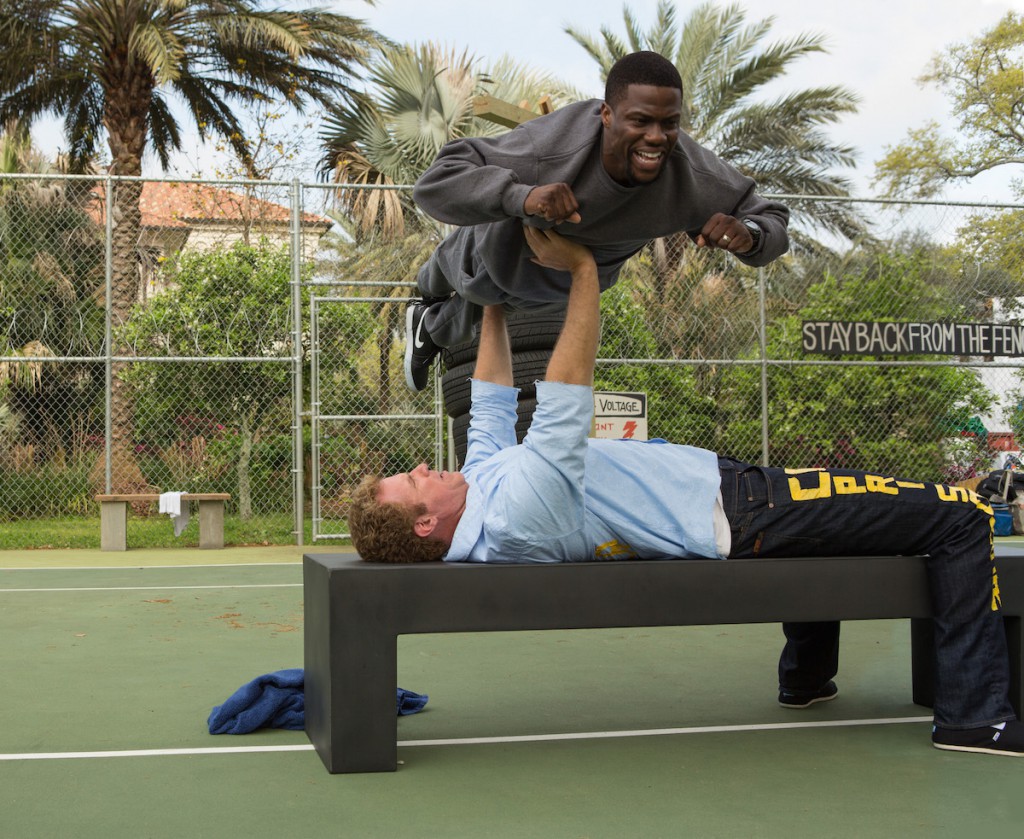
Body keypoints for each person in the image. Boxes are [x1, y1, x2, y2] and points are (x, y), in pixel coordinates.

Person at [349, 225, 1024, 757]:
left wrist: (491, 289)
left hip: (731, 493)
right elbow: (563, 399)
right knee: (959, 515)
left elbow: (493, 400)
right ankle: (974, 715)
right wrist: (583, 271)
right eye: (411, 482)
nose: (421, 467)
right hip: (737, 512)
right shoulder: (516, 516)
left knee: (839, 514)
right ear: (423, 526)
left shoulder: (482, 489)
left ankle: (806, 679)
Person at [402, 50, 790, 391]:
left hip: (565, 284)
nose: (657, 138)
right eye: (640, 121)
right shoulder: (551, 148)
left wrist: (749, 235)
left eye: (669, 123)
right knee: (463, 276)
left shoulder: (693, 178)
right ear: (607, 115)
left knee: (492, 302)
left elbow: (770, 218)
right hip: (499, 251)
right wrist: (525, 197)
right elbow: (435, 183)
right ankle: (425, 294)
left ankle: (428, 328)